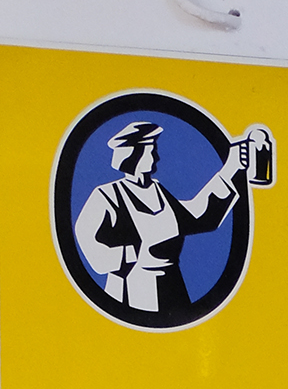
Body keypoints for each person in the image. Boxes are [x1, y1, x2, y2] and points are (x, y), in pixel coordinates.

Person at [72, 118, 258, 320]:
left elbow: (197, 217)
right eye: (151, 151)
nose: (157, 157)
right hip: (132, 290)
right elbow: (86, 237)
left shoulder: (158, 190)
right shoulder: (108, 195)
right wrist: (132, 253)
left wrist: (230, 170)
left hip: (172, 290)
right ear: (133, 154)